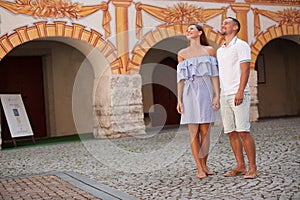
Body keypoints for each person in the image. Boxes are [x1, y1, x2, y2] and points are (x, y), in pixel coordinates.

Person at [176, 24, 221, 179]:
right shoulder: (181, 53)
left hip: (206, 91)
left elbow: (214, 75)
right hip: (189, 93)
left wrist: (217, 95)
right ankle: (199, 168)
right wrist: (179, 100)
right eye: (187, 30)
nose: (188, 32)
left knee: (205, 132)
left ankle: (205, 164)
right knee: (194, 132)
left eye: (192, 29)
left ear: (200, 32)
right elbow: (180, 79)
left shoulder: (209, 51)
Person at [217, 17, 258, 179]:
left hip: (238, 92)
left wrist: (240, 91)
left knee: (243, 131)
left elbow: (245, 69)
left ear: (235, 27)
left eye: (226, 23)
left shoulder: (241, 45)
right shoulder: (220, 50)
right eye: (223, 23)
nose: (223, 25)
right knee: (231, 132)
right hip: (224, 94)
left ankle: (252, 167)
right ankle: (240, 166)